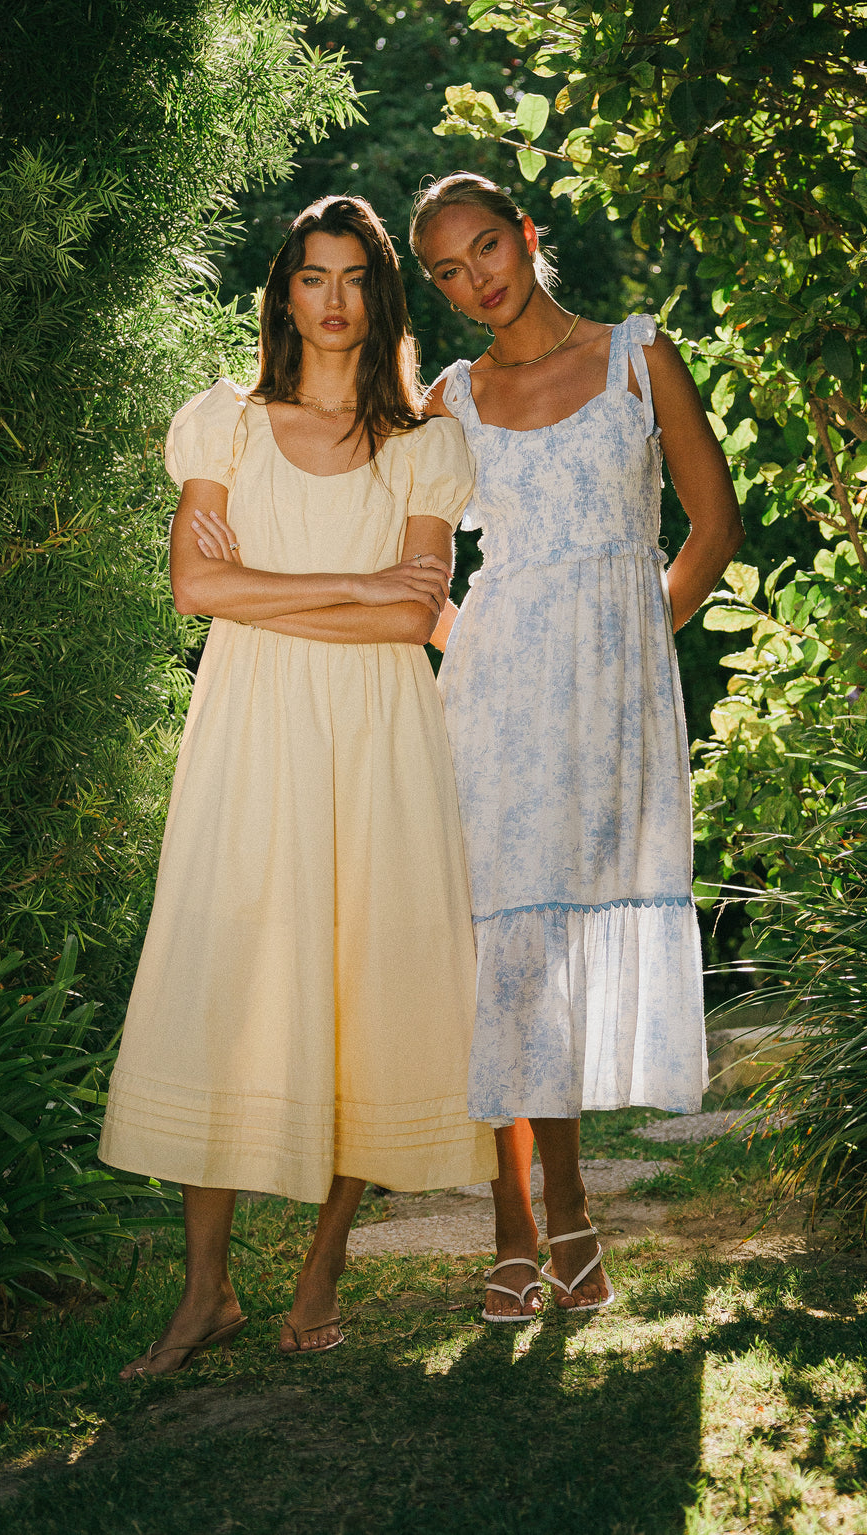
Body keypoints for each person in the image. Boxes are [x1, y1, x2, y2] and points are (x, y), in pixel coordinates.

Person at [99, 194, 495, 1375]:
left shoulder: (423, 443)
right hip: (250, 727)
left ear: (382, 295)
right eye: (310, 278)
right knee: (225, 971)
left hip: (378, 736)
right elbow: (192, 592)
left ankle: (322, 1263)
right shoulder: (225, 424)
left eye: (353, 279)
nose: (330, 300)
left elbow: (422, 606)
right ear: (283, 293)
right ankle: (204, 1290)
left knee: (368, 984)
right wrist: (360, 592)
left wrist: (272, 583)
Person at [408, 173, 744, 1318]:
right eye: (447, 271)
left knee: (546, 952)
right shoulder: (447, 397)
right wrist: (470, 639)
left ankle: (566, 1216)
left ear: (527, 235)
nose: (473, 280)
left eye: (485, 248)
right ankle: (535, 1225)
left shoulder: (635, 356)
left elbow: (714, 520)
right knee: (506, 956)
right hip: (494, 702)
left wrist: (636, 639)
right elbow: (408, 565)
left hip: (611, 699)